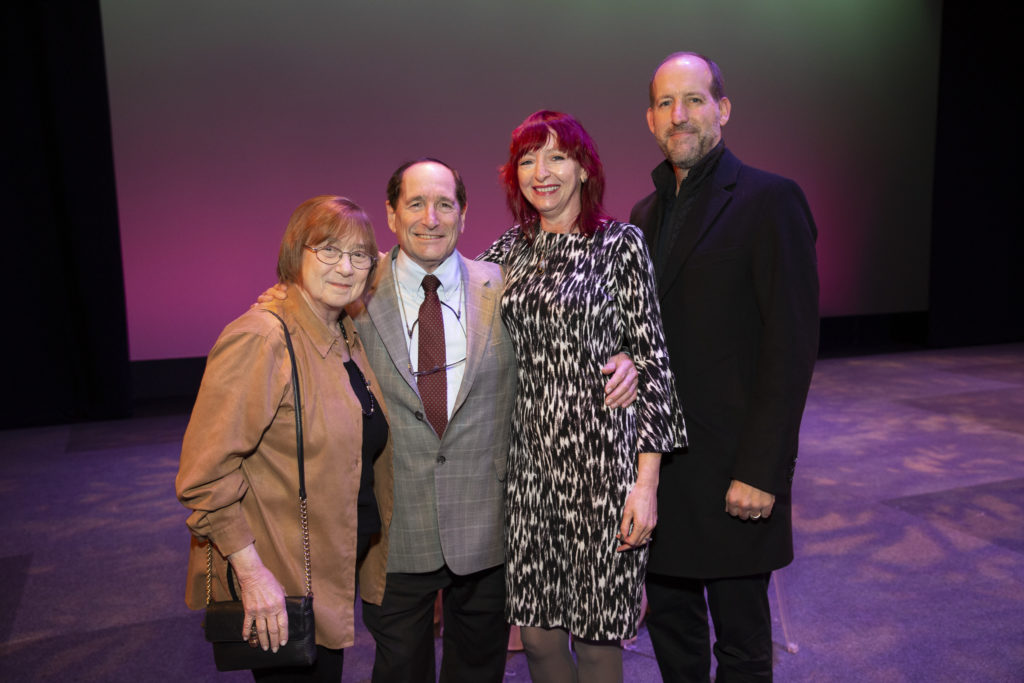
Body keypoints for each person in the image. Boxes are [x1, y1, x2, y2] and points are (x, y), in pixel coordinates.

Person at [257, 158, 639, 682]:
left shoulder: (503, 285)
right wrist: (279, 301)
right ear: (391, 214)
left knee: (478, 671)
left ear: (464, 213)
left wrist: (626, 356)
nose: (430, 218)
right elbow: (300, 313)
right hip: (395, 531)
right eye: (415, 203)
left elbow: (565, 335)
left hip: (486, 530)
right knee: (399, 671)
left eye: (444, 204)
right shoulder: (355, 290)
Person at [630, 52, 820, 682]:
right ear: (650, 119)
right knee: (673, 638)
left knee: (740, 645)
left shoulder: (770, 200)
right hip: (662, 475)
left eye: (693, 99)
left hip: (736, 474)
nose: (678, 115)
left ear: (723, 109)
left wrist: (762, 472)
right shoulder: (642, 217)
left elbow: (790, 348)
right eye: (665, 103)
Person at [478, 110, 685, 682]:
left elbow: (654, 360)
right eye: (526, 160)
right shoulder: (505, 252)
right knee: (540, 638)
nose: (540, 172)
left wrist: (646, 486)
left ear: (584, 169)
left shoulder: (620, 244)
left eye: (556, 157)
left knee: (597, 641)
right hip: (528, 470)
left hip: (602, 470)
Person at [176, 195, 394, 681]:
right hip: (283, 580)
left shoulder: (342, 335)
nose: (346, 267)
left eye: (359, 255)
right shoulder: (262, 338)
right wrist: (252, 574)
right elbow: (203, 475)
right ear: (296, 253)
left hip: (327, 566)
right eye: (329, 251)